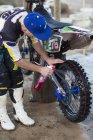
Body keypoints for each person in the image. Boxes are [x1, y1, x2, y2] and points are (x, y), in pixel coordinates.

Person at [0, 8, 64, 131]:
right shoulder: (9, 32)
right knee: (2, 80)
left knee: (17, 78)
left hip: (8, 43)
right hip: (3, 39)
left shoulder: (30, 19)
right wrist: (41, 69)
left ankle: (19, 112)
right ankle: (2, 114)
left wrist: (47, 59)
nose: (36, 36)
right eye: (34, 34)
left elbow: (35, 42)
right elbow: (18, 61)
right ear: (25, 30)